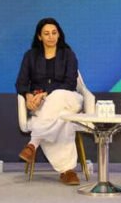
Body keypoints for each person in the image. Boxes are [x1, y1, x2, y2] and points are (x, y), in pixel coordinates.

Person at [15, 18, 83, 185]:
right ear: (39, 37)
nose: (51, 36)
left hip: (70, 99)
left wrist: (45, 94)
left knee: (58, 95)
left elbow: (70, 83)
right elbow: (21, 83)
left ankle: (33, 143)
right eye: (46, 33)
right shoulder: (30, 56)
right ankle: (67, 171)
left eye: (54, 33)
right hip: (43, 106)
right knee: (63, 119)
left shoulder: (68, 54)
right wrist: (28, 96)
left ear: (59, 35)